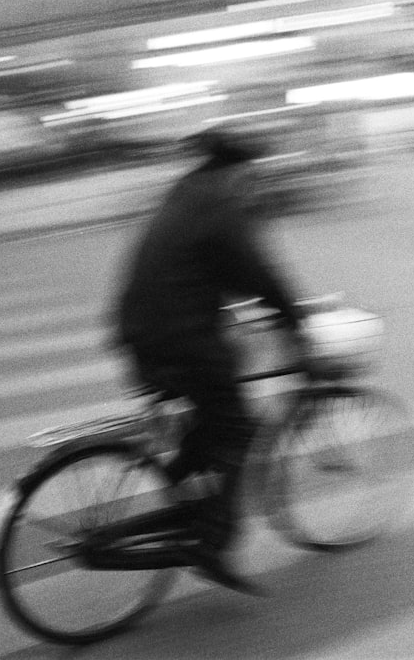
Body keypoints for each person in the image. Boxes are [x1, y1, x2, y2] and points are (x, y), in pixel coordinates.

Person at [114, 127, 313, 591]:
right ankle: (212, 541)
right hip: (179, 338)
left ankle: (183, 496)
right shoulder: (221, 206)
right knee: (239, 427)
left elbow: (211, 271)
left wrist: (240, 314)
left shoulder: (186, 194)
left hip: (142, 331)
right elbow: (258, 272)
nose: (252, 181)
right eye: (250, 172)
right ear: (237, 169)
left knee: (211, 419)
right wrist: (294, 319)